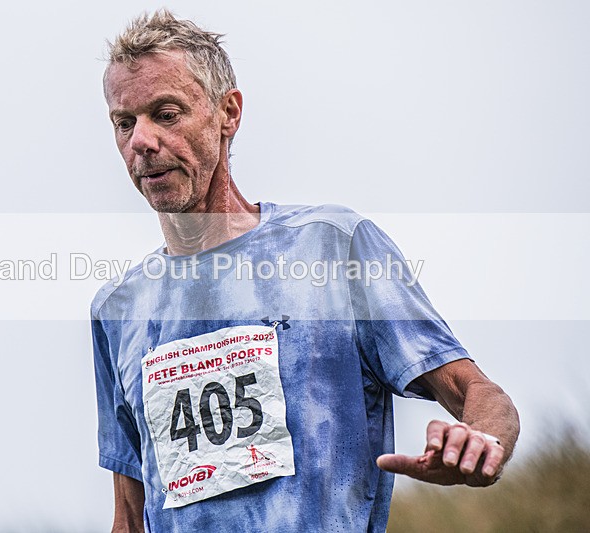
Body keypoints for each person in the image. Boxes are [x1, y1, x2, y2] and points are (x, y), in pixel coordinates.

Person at [92, 10, 519, 532]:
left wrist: (480, 441)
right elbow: (129, 517)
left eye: (166, 114)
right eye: (124, 122)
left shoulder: (330, 247)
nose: (141, 140)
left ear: (228, 113)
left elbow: (476, 391)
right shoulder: (119, 309)